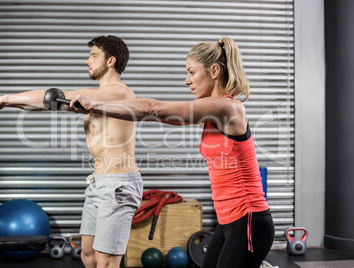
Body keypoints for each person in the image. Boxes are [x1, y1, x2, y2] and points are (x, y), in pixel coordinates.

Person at [70, 37, 275, 268]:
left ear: (215, 71)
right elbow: (156, 115)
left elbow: (154, 109)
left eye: (191, 72)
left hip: (248, 221)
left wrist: (95, 104)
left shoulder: (228, 108)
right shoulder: (210, 115)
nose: (187, 81)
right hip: (227, 221)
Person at [0, 35, 143, 268]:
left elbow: (55, 94)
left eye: (93, 55)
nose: (87, 60)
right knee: (88, 254)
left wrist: (5, 97)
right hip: (99, 182)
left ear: (110, 61)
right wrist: (6, 104)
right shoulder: (96, 98)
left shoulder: (119, 93)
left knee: (106, 262)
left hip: (118, 185)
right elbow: (48, 103)